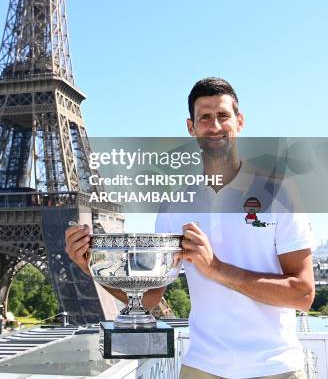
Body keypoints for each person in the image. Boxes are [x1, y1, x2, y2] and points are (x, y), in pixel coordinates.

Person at [65, 77, 315, 379]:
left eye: (223, 116)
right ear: (191, 127)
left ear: (240, 121)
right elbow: (151, 298)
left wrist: (217, 268)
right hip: (202, 367)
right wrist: (90, 266)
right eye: (205, 118)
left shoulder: (280, 192)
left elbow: (302, 294)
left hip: (276, 368)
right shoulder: (174, 204)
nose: (215, 126)